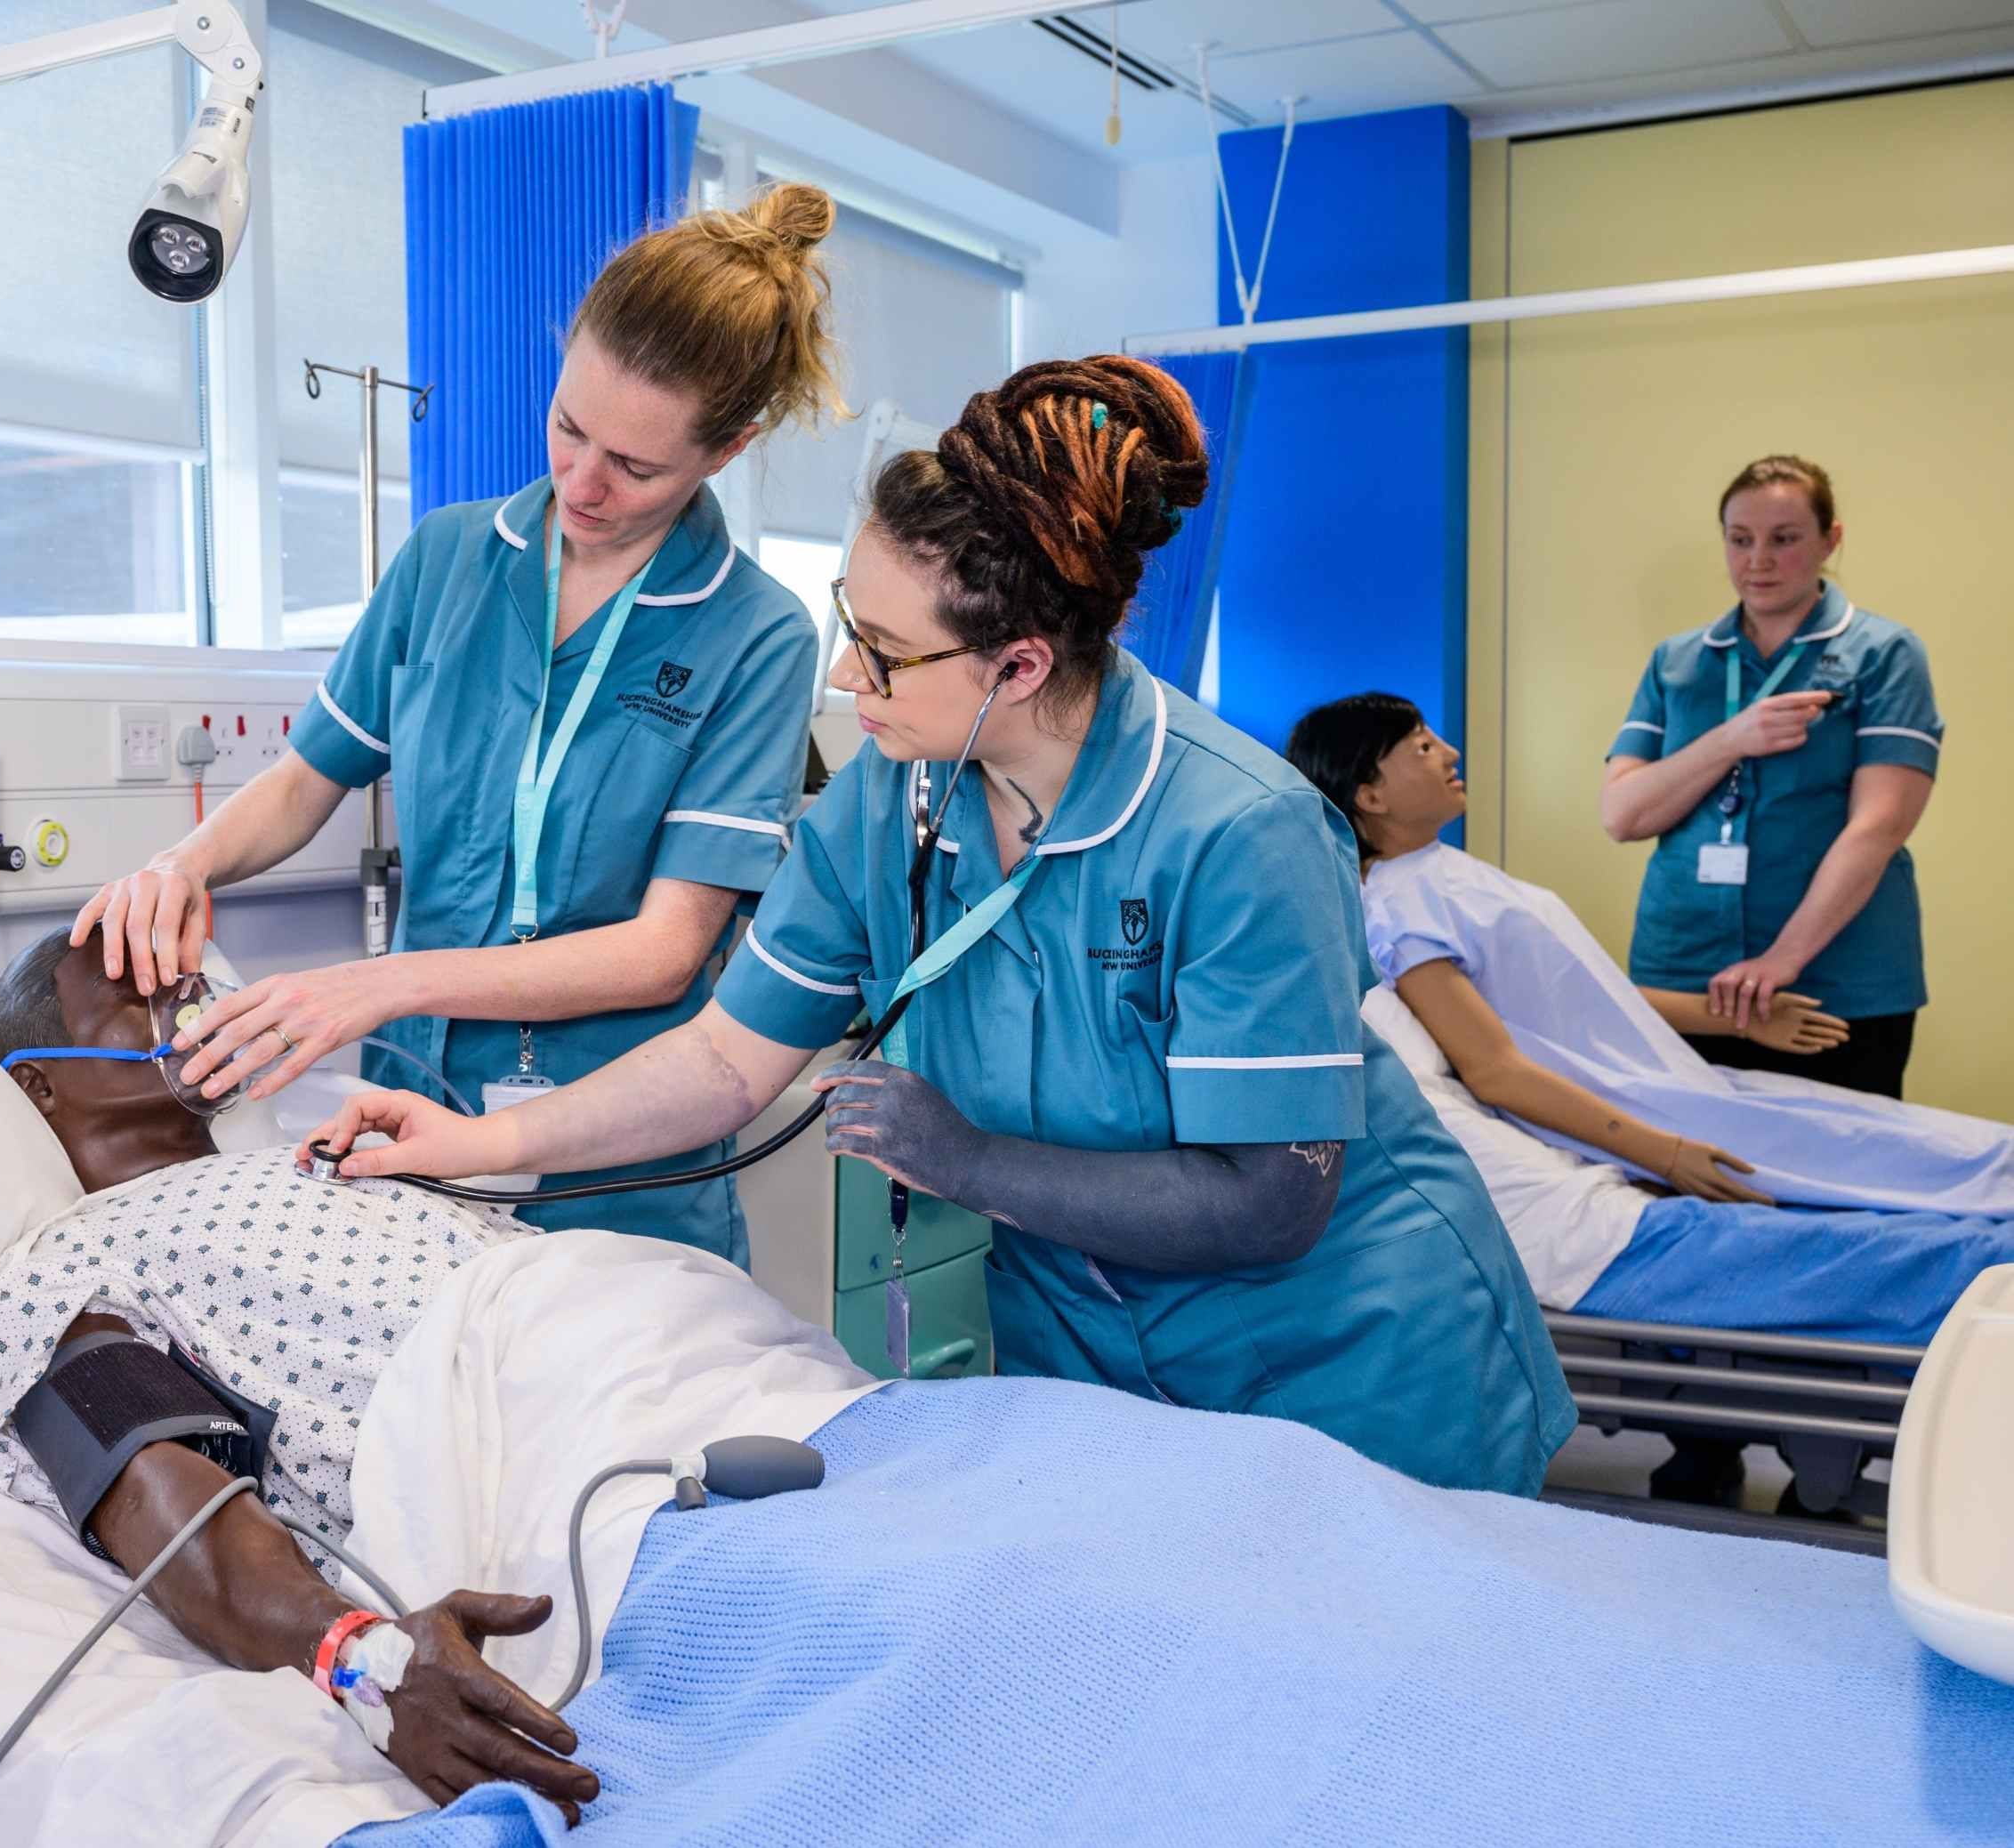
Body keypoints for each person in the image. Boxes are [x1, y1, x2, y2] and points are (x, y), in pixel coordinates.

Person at [298, 356, 1575, 1499]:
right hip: (1092, 1367)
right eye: (850, 627)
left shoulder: (1241, 832)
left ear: (1017, 666)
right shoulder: (882, 799)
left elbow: (1272, 1205)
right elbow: (723, 1060)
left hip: (1347, 1363)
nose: (847, 681)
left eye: (884, 653)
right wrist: (484, 1139)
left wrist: (967, 1161)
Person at [70, 186, 846, 1265]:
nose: (582, 481)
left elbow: (664, 953)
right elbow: (306, 780)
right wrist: (181, 864)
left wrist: (381, 981)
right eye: (569, 427)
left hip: (613, 1167)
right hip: (409, 1131)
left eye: (635, 466)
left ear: (726, 451)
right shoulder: (447, 558)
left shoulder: (755, 634)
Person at [0, 925, 600, 1820]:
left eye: (179, 971)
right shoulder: (71, 1271)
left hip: (631, 1339)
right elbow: (166, 1501)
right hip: (551, 1469)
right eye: (127, 986)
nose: (185, 991)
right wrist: (365, 1662)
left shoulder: (339, 1149)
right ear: (37, 1080)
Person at [1287, 691, 2014, 1219]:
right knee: (1936, 1169)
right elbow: (1494, 1070)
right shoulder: (1400, 908)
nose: (1447, 750)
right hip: (1642, 1106)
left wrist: (1731, 1022)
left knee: (1919, 1139)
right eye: (1419, 745)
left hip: (1681, 1084)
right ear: (1369, 794)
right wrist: (1662, 1153)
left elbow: (1579, 993)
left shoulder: (1451, 874)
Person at [1600, 456, 1943, 1099]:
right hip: (1683, 971)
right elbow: (1623, 814)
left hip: (1833, 977)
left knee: (1838, 1174)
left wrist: (1782, 960)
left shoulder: (1884, 654)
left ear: (1829, 540)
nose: (1758, 559)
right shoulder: (1678, 662)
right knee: (1687, 1168)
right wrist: (1732, 738)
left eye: (1784, 538)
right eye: (1740, 539)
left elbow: (1881, 825)